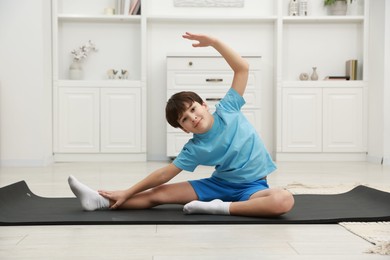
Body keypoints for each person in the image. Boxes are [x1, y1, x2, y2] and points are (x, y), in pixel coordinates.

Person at [68, 32, 294, 217]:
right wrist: (127, 192)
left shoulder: (228, 109)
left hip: (253, 187)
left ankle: (218, 208)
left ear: (204, 105)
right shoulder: (194, 148)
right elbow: (163, 176)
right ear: (184, 129)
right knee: (159, 194)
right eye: (185, 119)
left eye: (193, 109)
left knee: (284, 200)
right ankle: (98, 201)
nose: (192, 118)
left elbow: (242, 68)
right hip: (219, 185)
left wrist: (213, 42)